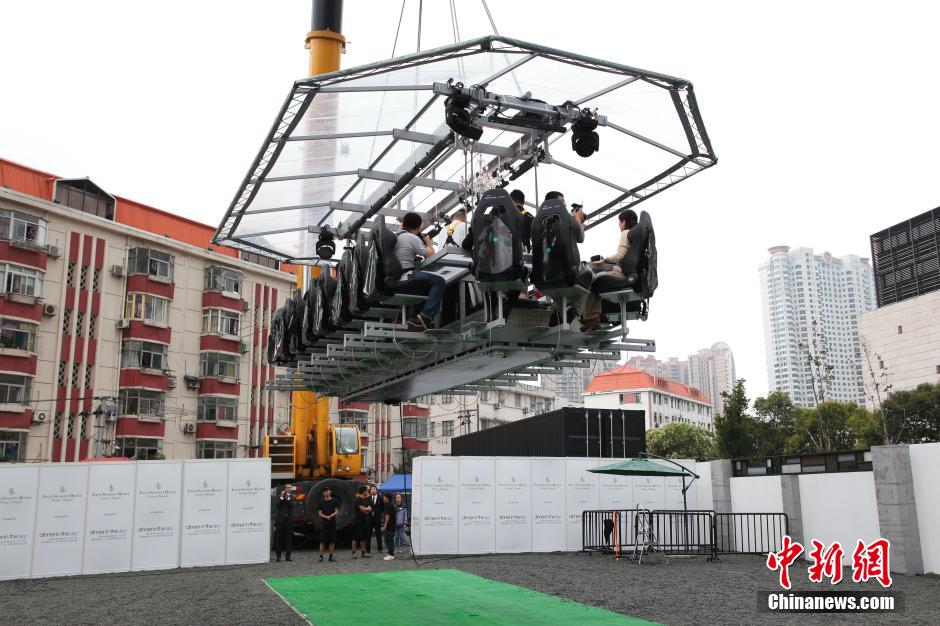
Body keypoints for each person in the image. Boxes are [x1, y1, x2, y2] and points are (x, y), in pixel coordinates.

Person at [581, 209, 638, 332]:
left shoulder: (626, 233)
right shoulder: (638, 236)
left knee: (591, 279)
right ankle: (594, 317)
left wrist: (605, 260)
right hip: (630, 274)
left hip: (619, 274)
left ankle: (588, 317)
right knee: (596, 284)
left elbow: (620, 255)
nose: (619, 225)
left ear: (624, 221)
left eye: (619, 222)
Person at [395, 212, 445, 331]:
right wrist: (428, 242)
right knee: (439, 281)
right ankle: (426, 316)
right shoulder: (411, 238)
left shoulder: (397, 236)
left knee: (424, 284)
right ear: (418, 227)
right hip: (406, 275)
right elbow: (431, 255)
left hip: (397, 278)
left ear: (403, 225)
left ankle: (415, 318)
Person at [317, 486, 340, 562]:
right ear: (323, 493)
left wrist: (332, 515)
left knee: (332, 541)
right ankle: (321, 557)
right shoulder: (321, 502)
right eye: (324, 491)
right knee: (323, 541)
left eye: (327, 491)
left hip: (332, 523)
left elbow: (337, 510)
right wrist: (326, 517)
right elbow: (319, 513)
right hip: (324, 523)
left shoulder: (334, 501)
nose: (326, 492)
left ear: (330, 492)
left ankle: (331, 556)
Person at [273, 484, 294, 562]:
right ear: (284, 489)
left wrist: (287, 497)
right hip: (280, 521)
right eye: (287, 487)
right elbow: (277, 505)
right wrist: (282, 497)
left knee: (288, 539)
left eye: (289, 488)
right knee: (279, 539)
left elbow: (293, 505)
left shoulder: (292, 497)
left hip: (288, 521)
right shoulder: (280, 497)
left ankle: (288, 556)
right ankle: (278, 557)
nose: (288, 489)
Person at [352, 485, 372, 559]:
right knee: (355, 538)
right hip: (358, 521)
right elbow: (361, 509)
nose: (367, 492)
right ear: (364, 491)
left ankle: (363, 553)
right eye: (366, 490)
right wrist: (366, 509)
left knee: (363, 538)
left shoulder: (366, 499)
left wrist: (366, 509)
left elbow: (370, 508)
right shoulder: (358, 500)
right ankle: (353, 553)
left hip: (365, 521)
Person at [367, 485, 385, 554]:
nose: (373, 490)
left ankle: (380, 548)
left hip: (377, 518)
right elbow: (367, 506)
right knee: (368, 534)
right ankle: (368, 549)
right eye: (372, 489)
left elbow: (383, 507)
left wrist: (379, 513)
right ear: (370, 491)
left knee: (378, 534)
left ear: (376, 490)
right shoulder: (368, 498)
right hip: (370, 518)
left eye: (374, 489)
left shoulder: (380, 498)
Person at [382, 492, 397, 560]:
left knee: (389, 540)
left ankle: (391, 555)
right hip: (391, 525)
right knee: (387, 539)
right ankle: (389, 553)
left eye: (384, 497)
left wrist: (385, 526)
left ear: (386, 497)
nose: (383, 498)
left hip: (390, 526)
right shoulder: (388, 504)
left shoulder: (389, 505)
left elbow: (387, 516)